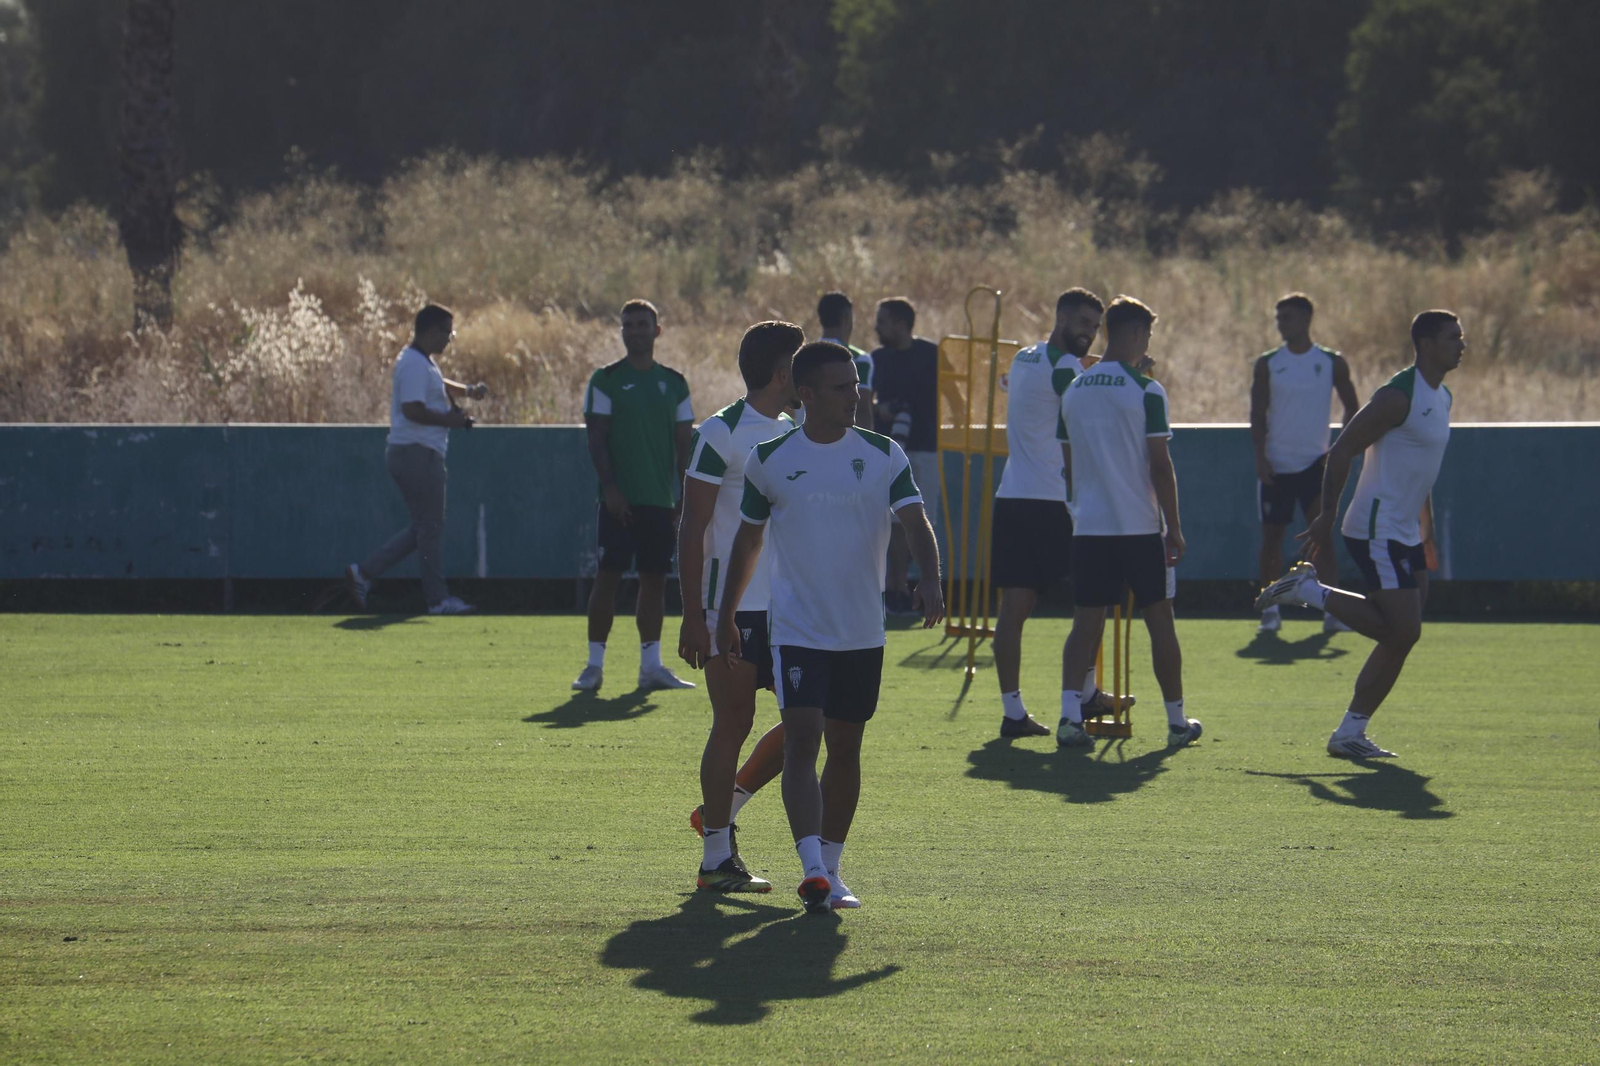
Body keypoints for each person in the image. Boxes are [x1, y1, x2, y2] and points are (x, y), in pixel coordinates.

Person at [716, 341, 944, 913]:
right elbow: (747, 541)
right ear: (807, 394)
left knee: (846, 746)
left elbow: (915, 520)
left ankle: (834, 867)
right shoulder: (769, 458)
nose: (856, 396)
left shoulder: (883, 454)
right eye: (842, 387)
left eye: (857, 385)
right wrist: (725, 614)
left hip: (862, 631)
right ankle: (812, 869)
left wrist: (931, 578)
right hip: (797, 631)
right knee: (802, 740)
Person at [1256, 310, 1463, 759]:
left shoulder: (1442, 396)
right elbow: (1343, 448)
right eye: (1453, 338)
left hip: (1404, 530)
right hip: (1376, 526)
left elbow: (1421, 470)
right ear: (1426, 344)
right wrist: (1327, 513)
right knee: (1404, 630)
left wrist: (1426, 532)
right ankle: (1309, 591)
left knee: (1401, 633)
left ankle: (1350, 732)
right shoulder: (1397, 396)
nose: (1461, 345)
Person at [676, 321, 804, 894]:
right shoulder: (719, 432)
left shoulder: (795, 431)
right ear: (782, 373)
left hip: (790, 608)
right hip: (730, 608)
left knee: (809, 721)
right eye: (799, 365)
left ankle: (720, 808)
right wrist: (693, 614)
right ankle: (715, 859)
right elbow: (692, 527)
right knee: (733, 722)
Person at [1055, 296, 1201, 750]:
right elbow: (1160, 465)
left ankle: (1068, 719)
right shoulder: (1147, 391)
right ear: (1137, 333)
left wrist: (1080, 506)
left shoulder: (1074, 390)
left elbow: (1068, 462)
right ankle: (1176, 722)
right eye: (1148, 335)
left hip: (1090, 527)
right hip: (1139, 527)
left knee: (1085, 623)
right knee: (1160, 620)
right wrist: (1174, 526)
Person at [990, 288, 1122, 738]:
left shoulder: (1023, 358)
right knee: (1093, 601)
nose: (1090, 333)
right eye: (1084, 323)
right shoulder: (1066, 367)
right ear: (1061, 317)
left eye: (1095, 327)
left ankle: (1014, 713)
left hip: (1013, 497)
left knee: (1014, 610)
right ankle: (1083, 696)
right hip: (1055, 502)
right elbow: (1090, 409)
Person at [574, 299, 697, 693]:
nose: (636, 331)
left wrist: (684, 494)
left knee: (654, 580)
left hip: (659, 501)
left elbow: (684, 445)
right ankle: (593, 666)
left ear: (657, 331)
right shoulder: (606, 379)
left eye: (643, 324)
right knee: (607, 577)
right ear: (622, 331)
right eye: (628, 325)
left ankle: (650, 667)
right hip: (618, 501)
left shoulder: (674, 383)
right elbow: (596, 437)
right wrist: (610, 488)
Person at [346, 304, 486, 615]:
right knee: (430, 528)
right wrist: (451, 421)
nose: (450, 339)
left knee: (425, 528)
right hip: (416, 452)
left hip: (417, 452)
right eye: (448, 332)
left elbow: (438, 384)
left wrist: (468, 391)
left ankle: (364, 573)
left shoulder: (422, 362)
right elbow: (412, 409)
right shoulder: (413, 363)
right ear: (433, 331)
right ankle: (437, 600)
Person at [1250, 292, 1360, 634]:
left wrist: (1338, 449)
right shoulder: (1268, 363)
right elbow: (1257, 413)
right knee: (1272, 539)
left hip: (1316, 465)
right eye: (1278, 318)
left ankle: (1333, 613)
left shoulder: (1331, 361)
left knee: (1321, 537)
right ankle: (1270, 612)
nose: (1282, 324)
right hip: (1277, 466)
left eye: (1288, 317)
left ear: (1306, 319)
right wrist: (1260, 456)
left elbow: (1353, 407)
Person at [869, 296, 941, 615]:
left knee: (920, 522)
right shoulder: (877, 359)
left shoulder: (931, 354)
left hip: (925, 449)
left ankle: (908, 587)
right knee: (895, 523)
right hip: (890, 450)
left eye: (882, 322)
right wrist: (879, 410)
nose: (876, 328)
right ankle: (896, 588)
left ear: (901, 323)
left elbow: (953, 397)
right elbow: (864, 400)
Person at [816, 290, 875, 427]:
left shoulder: (801, 355)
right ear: (847, 318)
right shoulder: (859, 359)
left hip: (806, 436)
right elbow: (862, 410)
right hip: (842, 437)